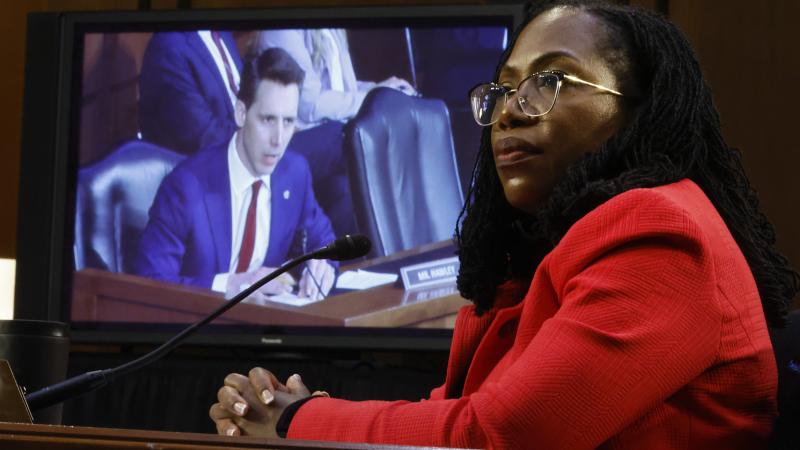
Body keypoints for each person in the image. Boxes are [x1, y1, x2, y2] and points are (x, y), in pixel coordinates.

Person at [209, 1, 799, 448]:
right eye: (505, 89)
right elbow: (458, 408)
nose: (512, 110)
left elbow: (500, 436)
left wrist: (294, 421)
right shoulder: (548, 244)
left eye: (552, 81)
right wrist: (302, 406)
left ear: (635, 109)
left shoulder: (660, 234)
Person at [135, 48, 336, 302]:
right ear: (241, 113)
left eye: (288, 122)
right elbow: (150, 283)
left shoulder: (294, 173)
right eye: (267, 120)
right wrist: (230, 285)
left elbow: (324, 241)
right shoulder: (186, 186)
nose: (279, 139)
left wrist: (321, 265)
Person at [254, 29, 417, 237]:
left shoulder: (331, 31)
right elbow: (310, 106)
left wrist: (382, 88)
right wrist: (374, 96)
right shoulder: (284, 31)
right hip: (298, 139)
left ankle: (374, 258)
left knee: (345, 191)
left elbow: (344, 90)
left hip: (331, 143)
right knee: (353, 140)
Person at [138, 31, 242, 155]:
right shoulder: (168, 48)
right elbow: (204, 138)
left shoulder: (222, 33)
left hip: (245, 155)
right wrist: (260, 133)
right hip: (206, 166)